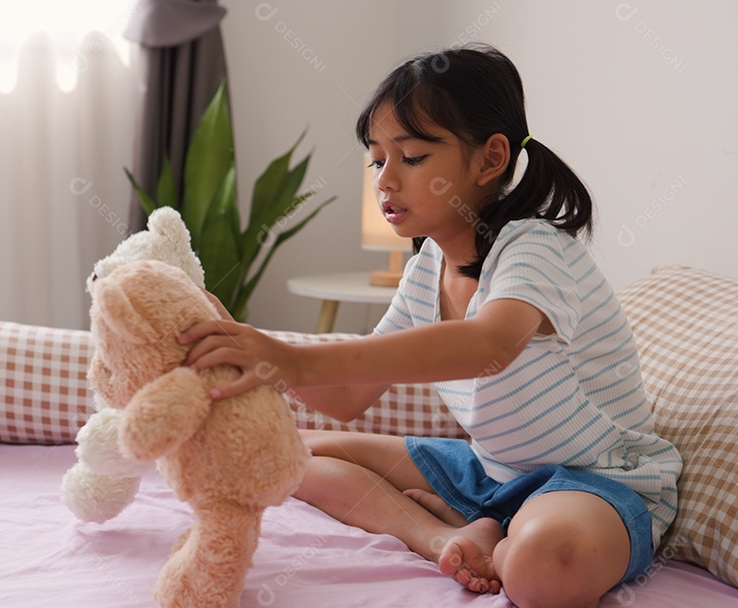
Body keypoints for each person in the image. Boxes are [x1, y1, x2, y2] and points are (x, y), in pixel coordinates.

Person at [180, 44, 681, 608]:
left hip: (595, 482)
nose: (385, 180)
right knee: (275, 449)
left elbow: (488, 346)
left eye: (412, 157)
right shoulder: (426, 270)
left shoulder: (534, 246)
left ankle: (504, 540)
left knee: (544, 570)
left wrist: (291, 358)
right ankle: (445, 534)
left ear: (490, 159)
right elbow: (347, 396)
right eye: (377, 160)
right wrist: (240, 339)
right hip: (491, 475)